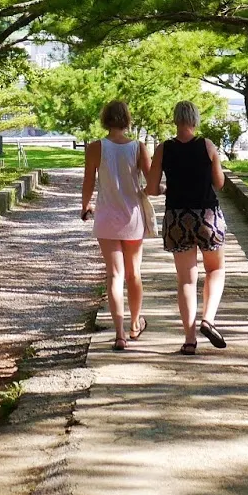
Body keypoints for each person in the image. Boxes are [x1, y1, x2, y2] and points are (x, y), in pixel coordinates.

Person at [147, 100, 227, 355]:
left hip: (176, 219)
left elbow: (151, 188)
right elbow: (220, 183)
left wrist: (165, 188)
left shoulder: (163, 149)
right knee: (215, 269)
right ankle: (209, 319)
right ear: (195, 120)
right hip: (207, 216)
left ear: (175, 120)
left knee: (186, 280)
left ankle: (190, 340)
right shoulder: (207, 145)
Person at [81, 100, 153, 351]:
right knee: (134, 273)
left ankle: (119, 334)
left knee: (114, 275)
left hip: (106, 217)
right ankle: (135, 323)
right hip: (132, 217)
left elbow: (88, 181)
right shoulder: (138, 148)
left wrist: (85, 206)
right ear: (126, 119)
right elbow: (152, 180)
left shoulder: (94, 148)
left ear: (105, 119)